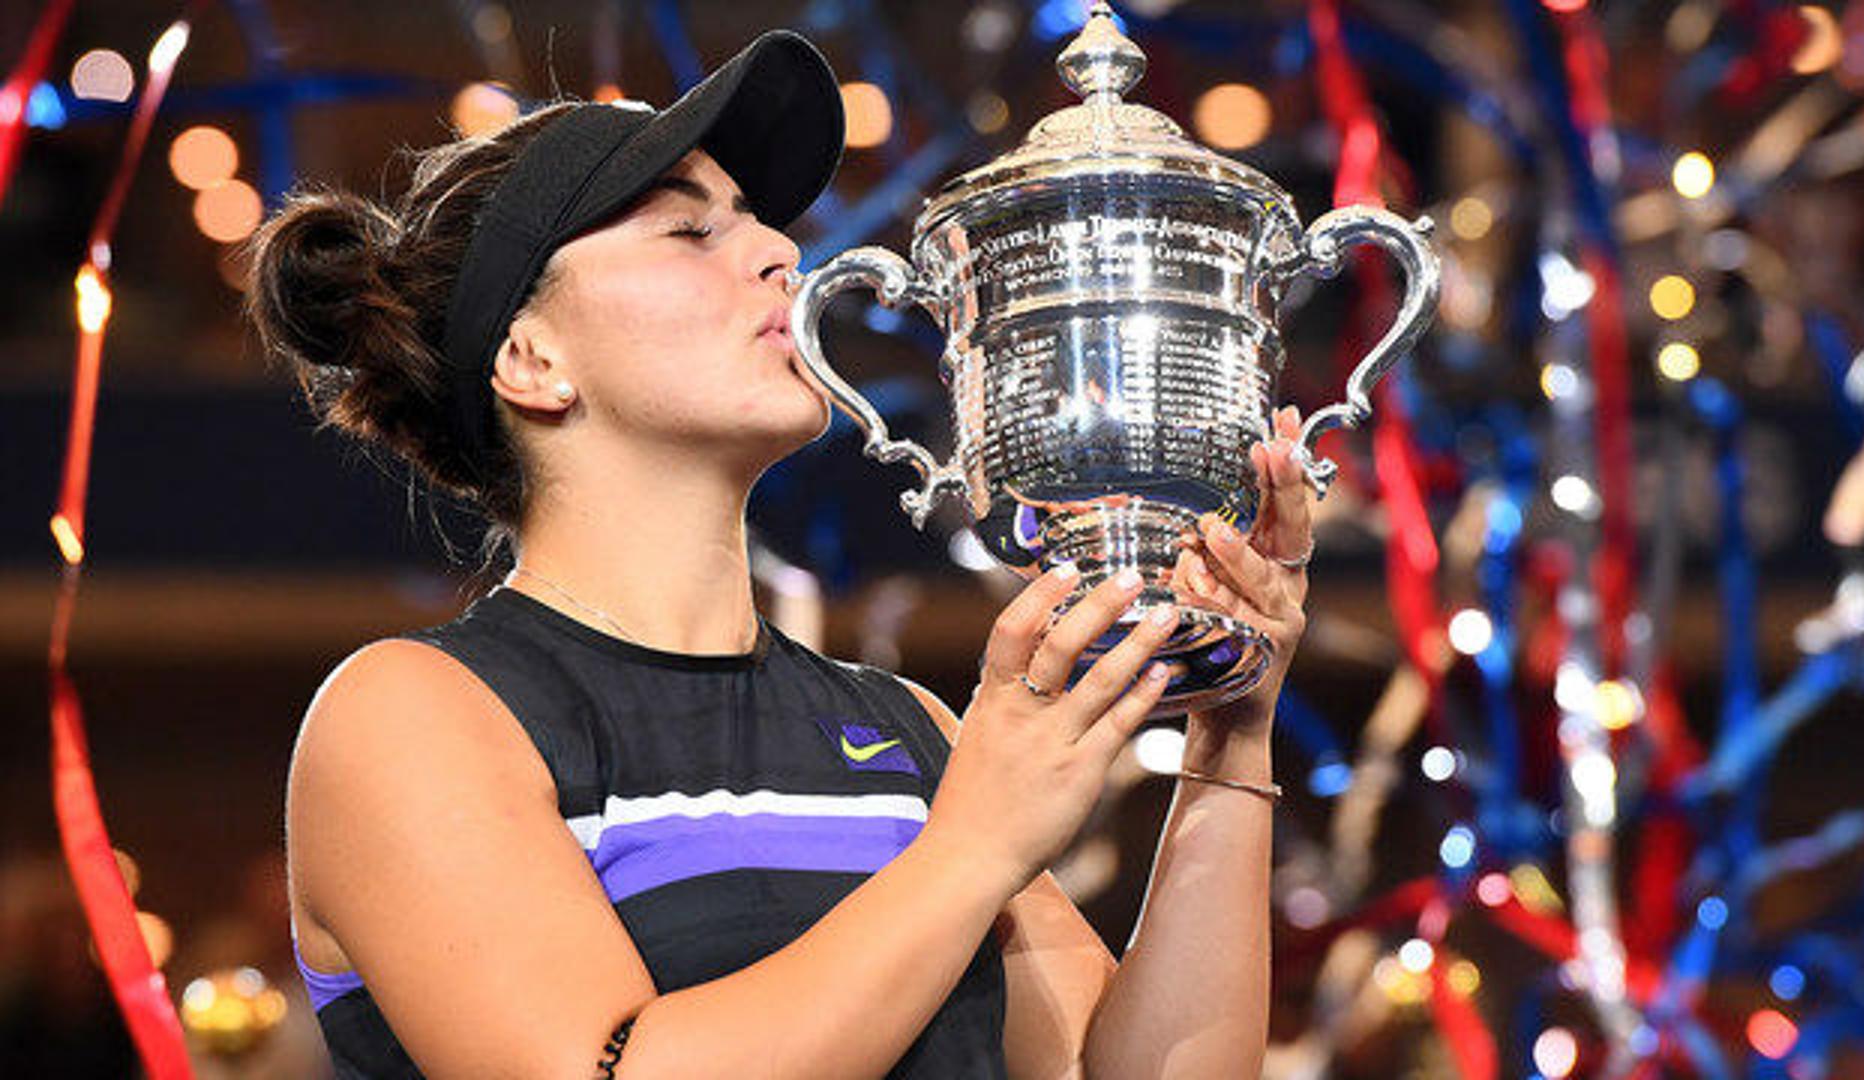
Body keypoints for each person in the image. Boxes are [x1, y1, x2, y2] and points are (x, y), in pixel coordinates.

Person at [247, 27, 1313, 1079]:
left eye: (756, 221)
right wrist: (973, 848)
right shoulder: (412, 714)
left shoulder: (917, 733)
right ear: (532, 359)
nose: (780, 253)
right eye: (687, 231)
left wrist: (1230, 738)